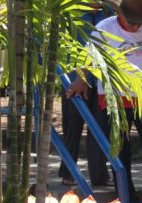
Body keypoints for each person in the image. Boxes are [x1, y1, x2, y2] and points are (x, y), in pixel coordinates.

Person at [71, 0, 142, 203]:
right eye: (131, 22)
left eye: (139, 22)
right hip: (114, 101)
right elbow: (88, 59)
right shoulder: (104, 28)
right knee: (120, 156)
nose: (136, 26)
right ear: (120, 14)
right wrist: (80, 80)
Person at [59, 2, 112, 188]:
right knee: (72, 126)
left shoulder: (109, 12)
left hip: (101, 80)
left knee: (100, 126)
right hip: (74, 79)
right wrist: (77, 77)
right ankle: (68, 171)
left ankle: (99, 175)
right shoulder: (71, 12)